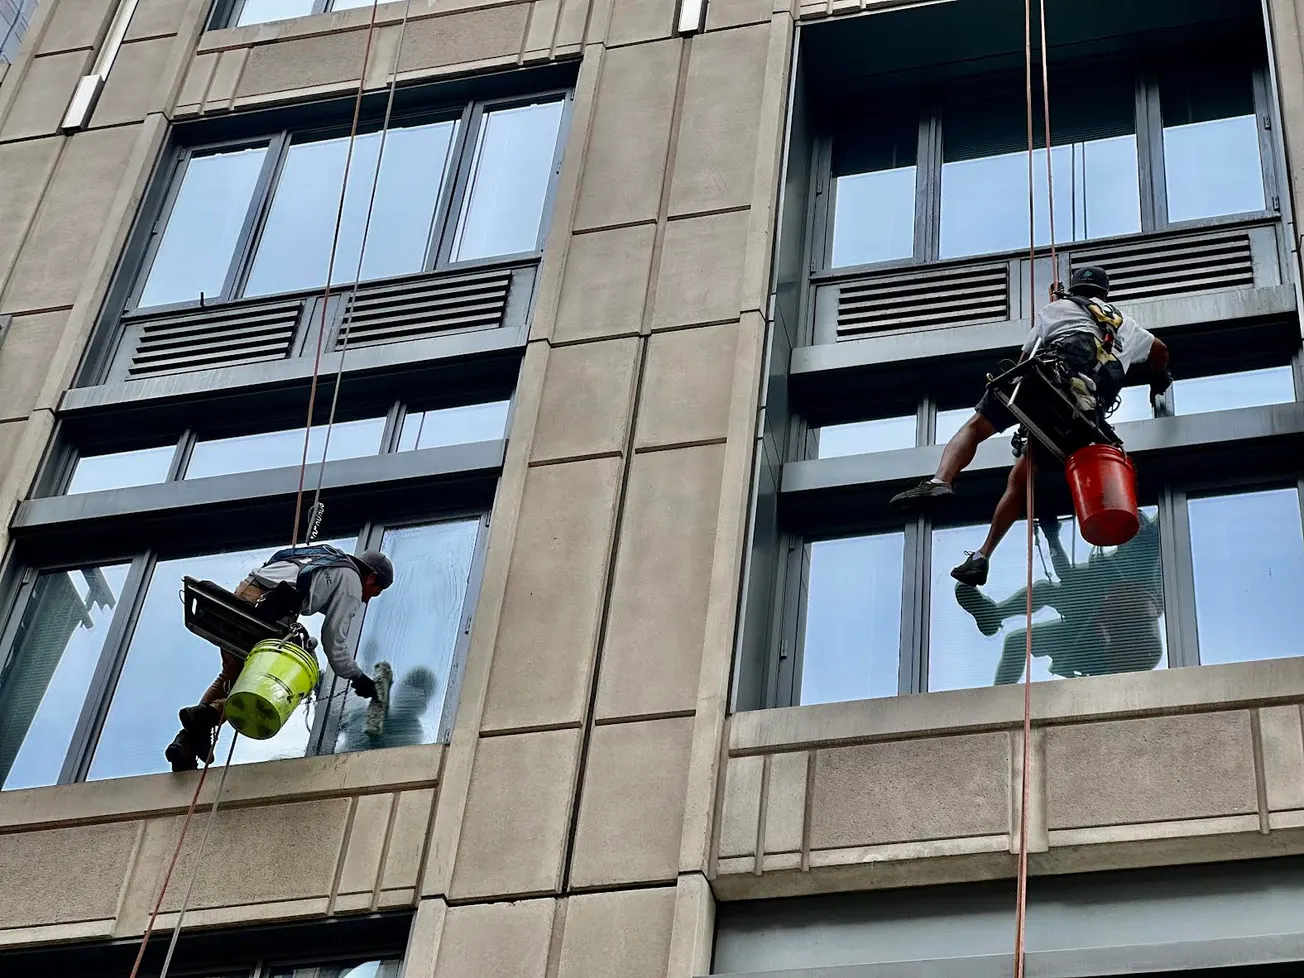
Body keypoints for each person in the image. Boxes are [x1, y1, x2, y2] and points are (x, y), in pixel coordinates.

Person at [889, 265, 1170, 586]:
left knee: (976, 427)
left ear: (1074, 289)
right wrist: (1157, 379)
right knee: (1020, 480)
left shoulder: (1057, 308)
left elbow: (1026, 355)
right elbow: (1160, 351)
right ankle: (980, 557)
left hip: (1048, 383)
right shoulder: (1126, 326)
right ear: (1105, 294)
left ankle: (941, 480)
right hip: (1083, 415)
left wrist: (1050, 315)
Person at [166, 544, 395, 771]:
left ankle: (185, 743)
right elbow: (333, 640)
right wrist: (357, 677)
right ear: (371, 577)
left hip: (243, 596)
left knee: (230, 676)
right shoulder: (352, 582)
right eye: (377, 592)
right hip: (261, 612)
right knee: (285, 681)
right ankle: (209, 714)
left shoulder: (328, 558)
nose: (368, 600)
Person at [954, 511, 1163, 684]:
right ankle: (999, 704)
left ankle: (995, 615)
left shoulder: (1149, 549)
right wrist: (1052, 538)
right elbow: (1068, 576)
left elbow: (1159, 523)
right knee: (1017, 642)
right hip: (1093, 630)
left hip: (1120, 636)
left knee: (1048, 591)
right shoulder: (1106, 564)